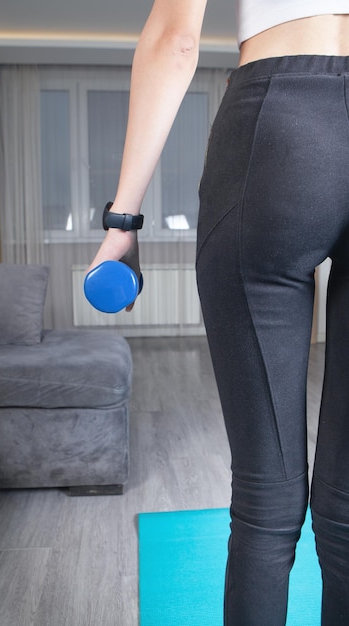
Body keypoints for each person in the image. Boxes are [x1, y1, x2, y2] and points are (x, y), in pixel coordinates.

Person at [88, 2, 349, 624]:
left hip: (279, 125)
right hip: (287, 129)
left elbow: (175, 40)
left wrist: (122, 222)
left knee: (267, 499)